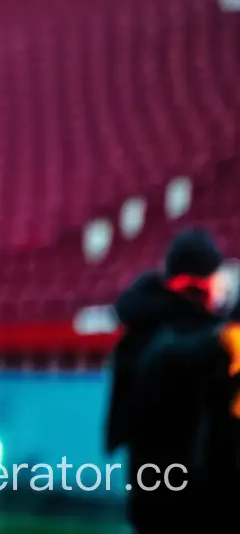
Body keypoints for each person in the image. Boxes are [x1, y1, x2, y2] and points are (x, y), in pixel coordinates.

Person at [105, 227, 240, 532]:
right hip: (184, 492)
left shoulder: (142, 329)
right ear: (201, 282)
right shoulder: (181, 340)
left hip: (158, 487)